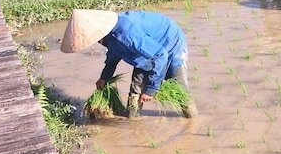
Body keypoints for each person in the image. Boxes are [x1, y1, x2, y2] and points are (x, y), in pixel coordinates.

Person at [60, 9, 196, 119]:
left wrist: (151, 90)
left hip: (170, 42)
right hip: (147, 47)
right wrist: (104, 78)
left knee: (179, 86)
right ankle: (133, 119)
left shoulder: (126, 35)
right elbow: (113, 55)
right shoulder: (110, 36)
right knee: (136, 87)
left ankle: (192, 119)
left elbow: (161, 55)